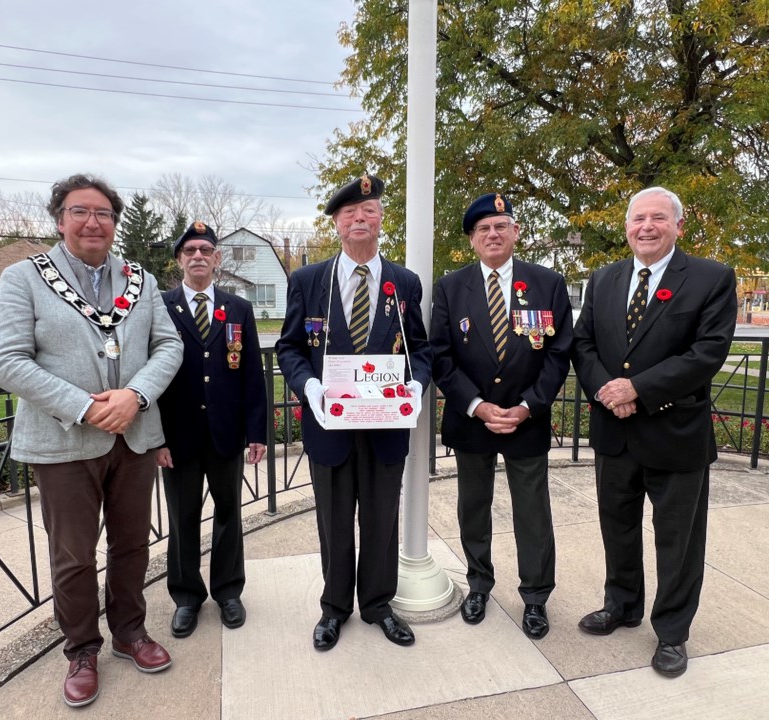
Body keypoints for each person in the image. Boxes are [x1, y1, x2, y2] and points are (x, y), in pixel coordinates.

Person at [0, 174, 183, 708]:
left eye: (103, 213)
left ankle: (130, 633)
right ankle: (81, 648)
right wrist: (85, 406)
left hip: (135, 435)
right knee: (73, 555)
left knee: (133, 544)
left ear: (115, 223)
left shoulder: (139, 279)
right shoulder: (23, 278)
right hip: (63, 440)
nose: (93, 221)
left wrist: (135, 396)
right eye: (80, 211)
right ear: (60, 219)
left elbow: (168, 346)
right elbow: (5, 361)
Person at [571, 186, 737, 677]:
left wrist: (636, 390)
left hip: (675, 433)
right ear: (627, 227)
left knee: (678, 541)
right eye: (638, 218)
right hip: (615, 432)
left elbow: (707, 353)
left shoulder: (710, 278)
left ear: (678, 226)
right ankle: (621, 605)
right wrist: (608, 391)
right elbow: (583, 345)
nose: (646, 226)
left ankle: (671, 633)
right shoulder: (602, 279)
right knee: (617, 527)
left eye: (658, 218)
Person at [276, 174, 432, 651]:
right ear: (337, 224)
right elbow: (290, 348)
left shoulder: (404, 283)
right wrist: (310, 386)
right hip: (331, 426)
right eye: (350, 213)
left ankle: (379, 604)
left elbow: (420, 349)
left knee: (382, 519)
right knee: (335, 520)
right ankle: (334, 608)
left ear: (382, 219)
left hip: (386, 425)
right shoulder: (309, 280)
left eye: (369, 210)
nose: (360, 218)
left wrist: (416, 385)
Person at [430, 192, 572, 639]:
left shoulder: (547, 283)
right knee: (474, 507)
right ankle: (478, 584)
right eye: (483, 229)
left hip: (525, 420)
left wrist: (528, 406)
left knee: (533, 512)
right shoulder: (450, 287)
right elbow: (440, 355)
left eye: (501, 225)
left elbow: (558, 353)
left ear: (515, 232)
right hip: (473, 420)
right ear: (472, 240)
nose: (493, 234)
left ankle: (535, 597)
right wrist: (477, 404)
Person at [155, 221, 266, 639]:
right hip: (177, 438)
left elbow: (252, 374)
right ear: (179, 259)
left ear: (217, 259)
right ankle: (186, 597)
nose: (198, 256)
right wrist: (155, 439)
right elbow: (148, 376)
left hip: (226, 433)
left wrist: (256, 432)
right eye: (189, 251)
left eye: (205, 250)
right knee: (182, 519)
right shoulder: (160, 307)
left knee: (229, 514)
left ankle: (227, 591)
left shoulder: (237, 308)